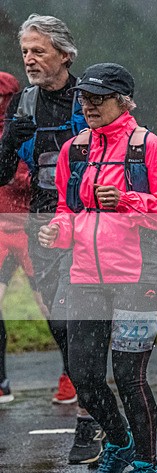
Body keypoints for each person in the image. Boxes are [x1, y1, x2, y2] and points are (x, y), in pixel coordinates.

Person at [38, 63, 157, 473]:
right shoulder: (75, 151)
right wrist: (57, 232)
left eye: (98, 98)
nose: (89, 105)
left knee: (128, 376)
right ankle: (119, 443)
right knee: (84, 376)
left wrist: (126, 200)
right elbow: (68, 210)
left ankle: (147, 467)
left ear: (124, 101)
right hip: (83, 277)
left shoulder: (148, 147)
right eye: (84, 97)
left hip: (139, 278)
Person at [0, 13, 105, 464]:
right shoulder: (22, 104)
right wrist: (8, 144)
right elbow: (2, 173)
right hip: (42, 223)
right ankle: (92, 395)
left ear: (64, 54)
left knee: (80, 319)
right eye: (25, 51)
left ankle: (89, 418)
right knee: (61, 324)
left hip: (87, 221)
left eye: (39, 50)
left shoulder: (90, 98)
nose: (30, 59)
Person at [0, 71, 39, 403]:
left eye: (3, 98)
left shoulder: (27, 126)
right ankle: (1, 380)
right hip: (0, 233)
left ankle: (73, 378)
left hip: (29, 230)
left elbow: (36, 175)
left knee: (50, 308)